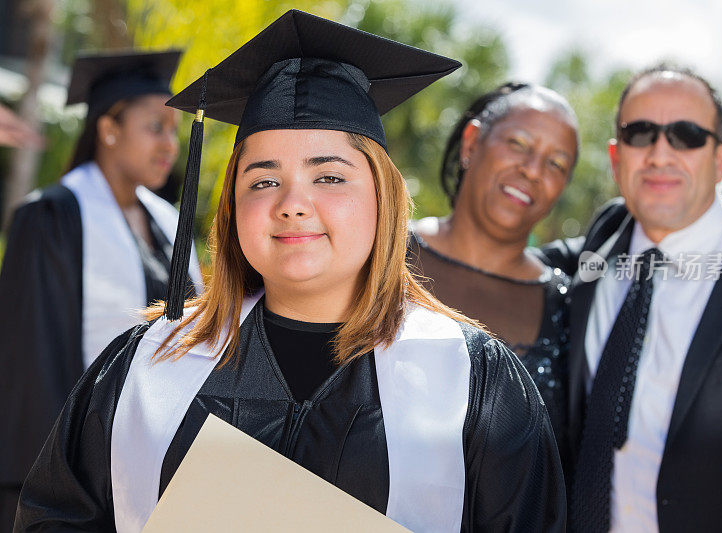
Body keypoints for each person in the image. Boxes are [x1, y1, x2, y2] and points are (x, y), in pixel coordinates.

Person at [14, 10, 566, 533]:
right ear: (233, 206)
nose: (292, 203)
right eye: (262, 179)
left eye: (329, 177)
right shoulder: (144, 367)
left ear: (383, 197)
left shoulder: (472, 379)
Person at [541, 64, 722, 532]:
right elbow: (495, 260)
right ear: (617, 157)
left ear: (720, 160)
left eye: (687, 135)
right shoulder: (595, 253)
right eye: (641, 133)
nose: (661, 153)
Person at [0, 50, 203, 529]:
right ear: (108, 129)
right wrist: (57, 489)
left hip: (154, 457)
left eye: (174, 131)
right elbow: (33, 364)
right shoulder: (51, 218)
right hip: (73, 471)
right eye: (155, 126)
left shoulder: (167, 222)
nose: (170, 145)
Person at [408, 82, 577, 452]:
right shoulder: (380, 254)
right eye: (518, 144)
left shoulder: (571, 309)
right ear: (472, 143)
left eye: (556, 164)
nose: (533, 170)